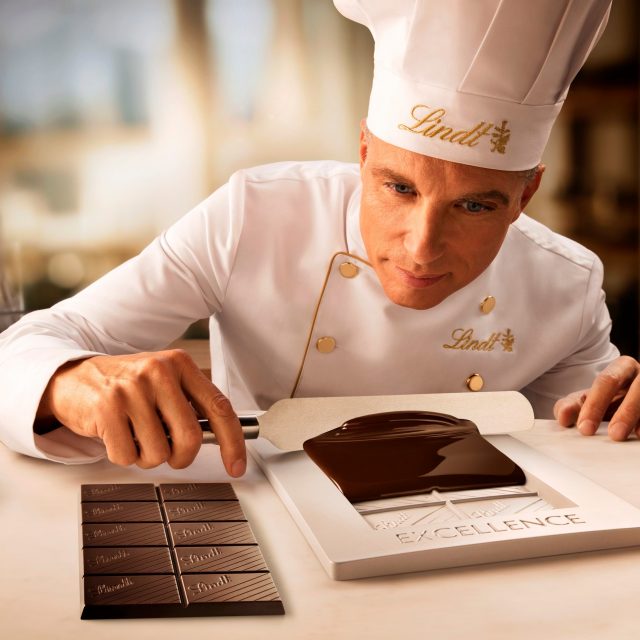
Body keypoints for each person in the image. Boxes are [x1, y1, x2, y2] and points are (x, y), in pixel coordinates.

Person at [0, 0, 637, 477]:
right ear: (362, 152)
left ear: (525, 196)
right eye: (398, 188)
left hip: (471, 539)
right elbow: (29, 346)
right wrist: (68, 381)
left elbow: (585, 448)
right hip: (262, 523)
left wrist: (625, 417)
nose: (422, 246)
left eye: (473, 205)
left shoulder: (567, 284)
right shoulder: (253, 216)